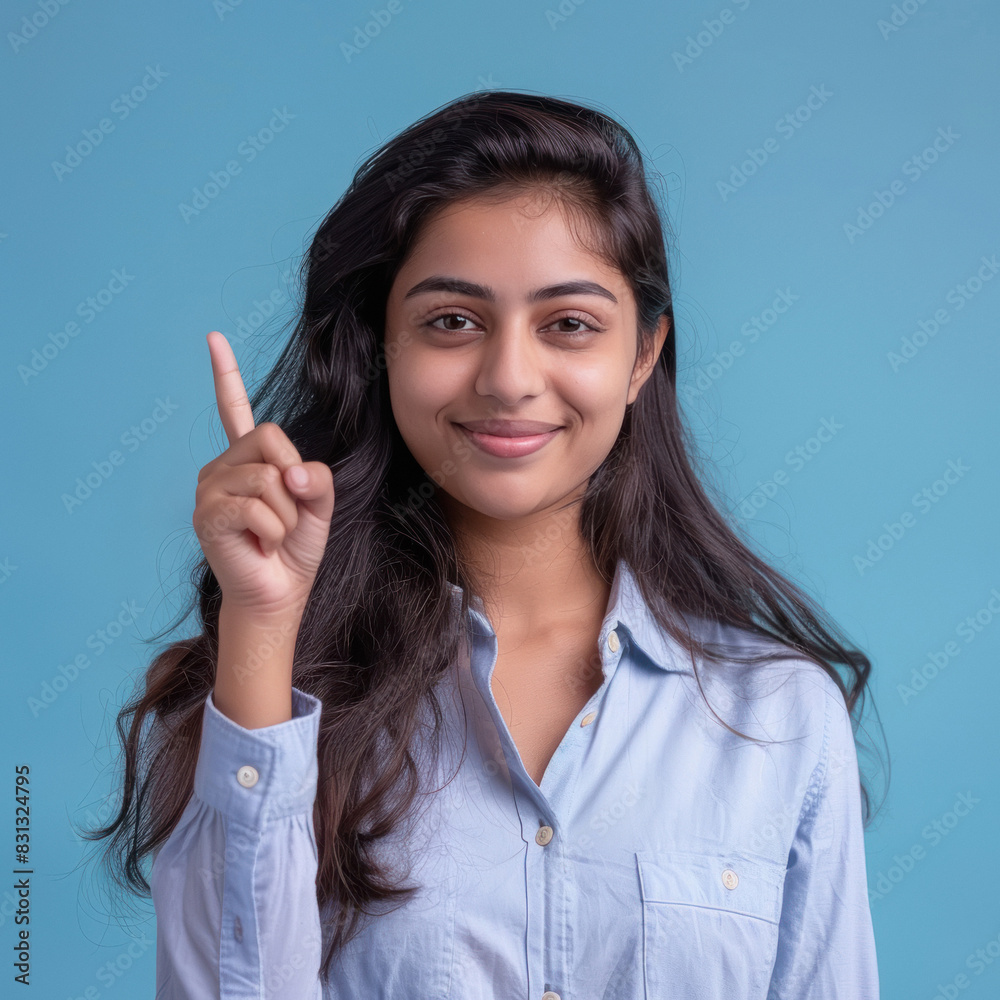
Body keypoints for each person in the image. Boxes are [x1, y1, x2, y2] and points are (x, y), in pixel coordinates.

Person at [84, 90, 884, 998]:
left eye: (569, 324)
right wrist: (263, 629)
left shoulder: (779, 716)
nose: (508, 378)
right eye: (453, 321)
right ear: (381, 346)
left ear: (642, 355)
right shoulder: (264, 697)